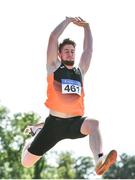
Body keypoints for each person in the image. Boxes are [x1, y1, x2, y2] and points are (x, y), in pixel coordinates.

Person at [21, 17, 117, 175]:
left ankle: (99, 160)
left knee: (94, 123)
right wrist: (67, 21)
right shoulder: (54, 67)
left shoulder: (80, 71)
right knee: (26, 163)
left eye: (72, 51)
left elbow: (88, 50)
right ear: (59, 53)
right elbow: (53, 37)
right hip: (53, 125)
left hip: (74, 123)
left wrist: (87, 27)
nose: (70, 54)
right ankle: (35, 134)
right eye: (66, 51)